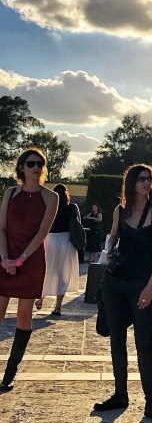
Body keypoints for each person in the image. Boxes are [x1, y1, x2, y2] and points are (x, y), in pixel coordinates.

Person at [94, 163, 152, 423]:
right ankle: (120, 395)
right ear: (131, 182)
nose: (146, 183)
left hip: (141, 284)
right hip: (114, 282)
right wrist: (109, 250)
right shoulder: (120, 210)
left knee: (143, 343)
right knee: (117, 340)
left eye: (149, 178)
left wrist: (150, 287)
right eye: (141, 179)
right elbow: (112, 238)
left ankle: (151, 402)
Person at [0, 148, 58, 391]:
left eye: (40, 164)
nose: (36, 167)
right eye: (31, 163)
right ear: (21, 168)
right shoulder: (10, 193)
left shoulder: (51, 197)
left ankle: (9, 373)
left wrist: (20, 260)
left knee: (24, 316)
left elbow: (42, 232)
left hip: (31, 259)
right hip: (5, 257)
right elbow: (1, 228)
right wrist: (5, 258)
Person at [37, 184, 82, 316]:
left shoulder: (49, 206)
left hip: (50, 239)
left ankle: (40, 298)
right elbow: (78, 223)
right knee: (63, 274)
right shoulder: (73, 207)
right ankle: (58, 306)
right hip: (67, 240)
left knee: (46, 270)